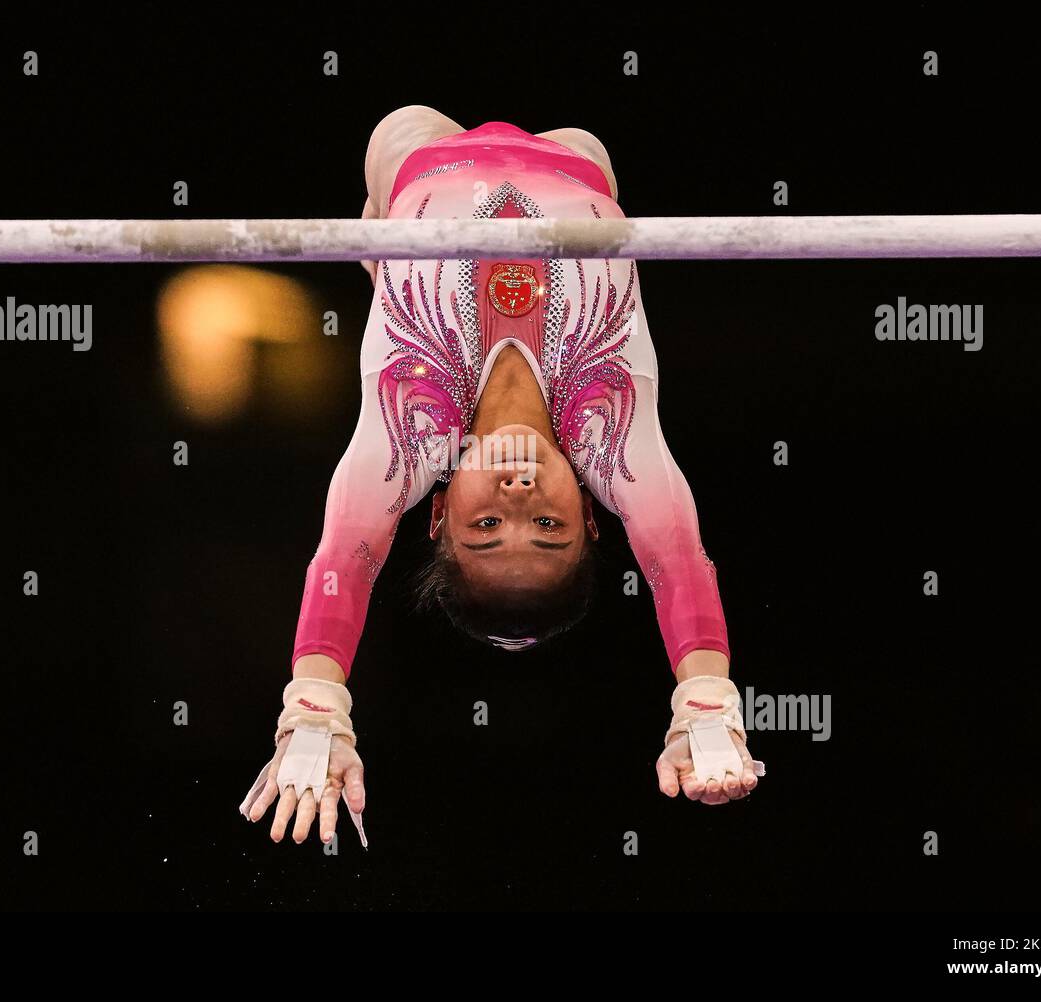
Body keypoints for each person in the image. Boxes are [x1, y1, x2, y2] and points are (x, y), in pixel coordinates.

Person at [239, 106, 764, 846]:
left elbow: (347, 556)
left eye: (485, 529)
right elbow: (676, 560)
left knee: (399, 133)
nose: (518, 498)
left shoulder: (409, 436)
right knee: (584, 140)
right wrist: (705, 703)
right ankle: (379, 259)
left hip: (425, 161)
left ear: (436, 512)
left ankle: (379, 249)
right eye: (548, 528)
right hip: (578, 161)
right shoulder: (611, 436)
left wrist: (316, 707)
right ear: (590, 515)